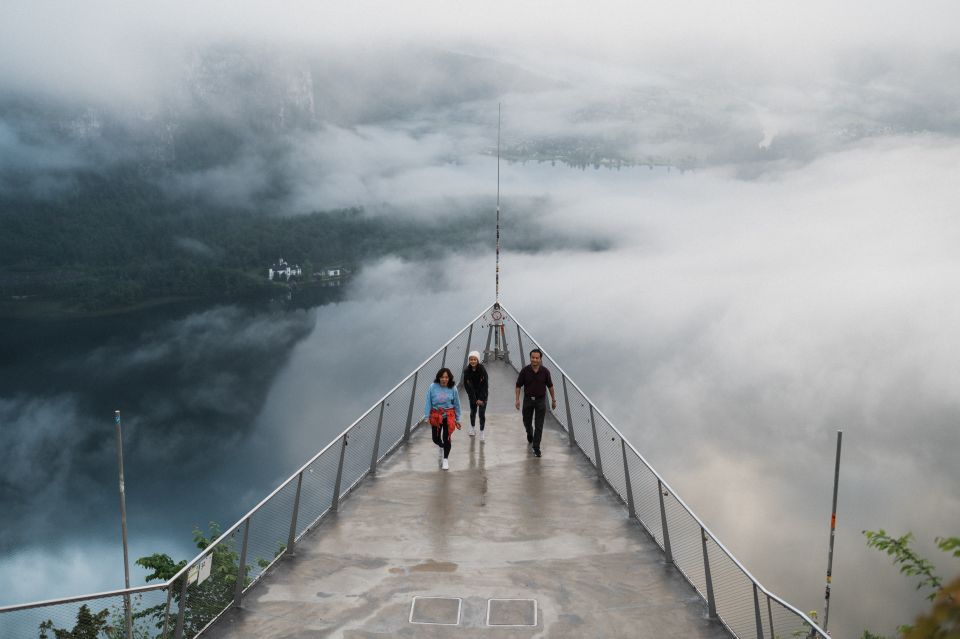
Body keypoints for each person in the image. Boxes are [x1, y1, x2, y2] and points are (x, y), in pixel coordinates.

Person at [514, 348, 556, 457]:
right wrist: (517, 400)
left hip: (540, 401)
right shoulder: (525, 371)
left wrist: (553, 400)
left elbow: (550, 386)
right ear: (530, 358)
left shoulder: (545, 372)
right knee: (526, 421)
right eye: (533, 358)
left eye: (537, 358)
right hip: (528, 400)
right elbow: (518, 385)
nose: (535, 360)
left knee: (539, 425)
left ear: (540, 359)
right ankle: (529, 432)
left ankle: (536, 447)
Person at [424, 367, 461, 470]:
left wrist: (458, 419)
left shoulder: (453, 388)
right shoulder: (432, 387)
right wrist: (426, 416)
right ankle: (441, 445)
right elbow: (428, 401)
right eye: (442, 377)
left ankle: (445, 459)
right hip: (436, 415)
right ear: (439, 377)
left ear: (449, 378)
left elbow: (457, 404)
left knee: (447, 437)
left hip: (449, 415)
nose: (444, 379)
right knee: (435, 438)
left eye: (446, 377)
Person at [462, 351, 489, 440]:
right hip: (472, 396)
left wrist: (481, 399)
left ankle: (482, 431)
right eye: (471, 359)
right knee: (473, 412)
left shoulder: (482, 370)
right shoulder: (466, 371)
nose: (473, 361)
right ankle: (472, 427)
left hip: (482, 396)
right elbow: (467, 386)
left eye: (474, 359)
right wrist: (473, 398)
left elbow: (485, 385)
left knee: (481, 414)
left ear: (478, 360)